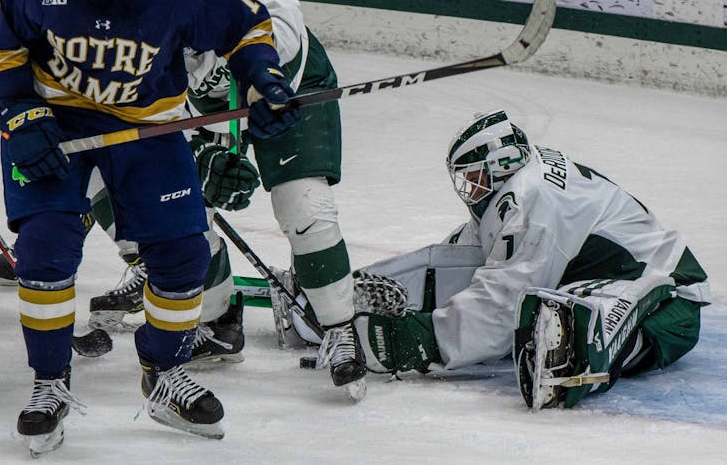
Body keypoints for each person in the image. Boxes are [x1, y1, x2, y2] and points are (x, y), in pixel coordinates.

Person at [0, 0, 366, 398]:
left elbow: (252, 52)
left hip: (285, 88)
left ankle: (341, 329)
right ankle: (214, 318)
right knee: (169, 214)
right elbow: (148, 94)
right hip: (178, 95)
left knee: (303, 206)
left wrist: (255, 99)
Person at [271, 110, 711, 410]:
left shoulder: (534, 204)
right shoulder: (520, 184)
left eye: (474, 179)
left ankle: (578, 350)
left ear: (501, 164)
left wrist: (407, 342)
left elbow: (497, 312)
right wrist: (343, 304)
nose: (469, 190)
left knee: (564, 347)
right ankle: (333, 300)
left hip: (670, 305)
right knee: (471, 272)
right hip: (592, 276)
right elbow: (473, 261)